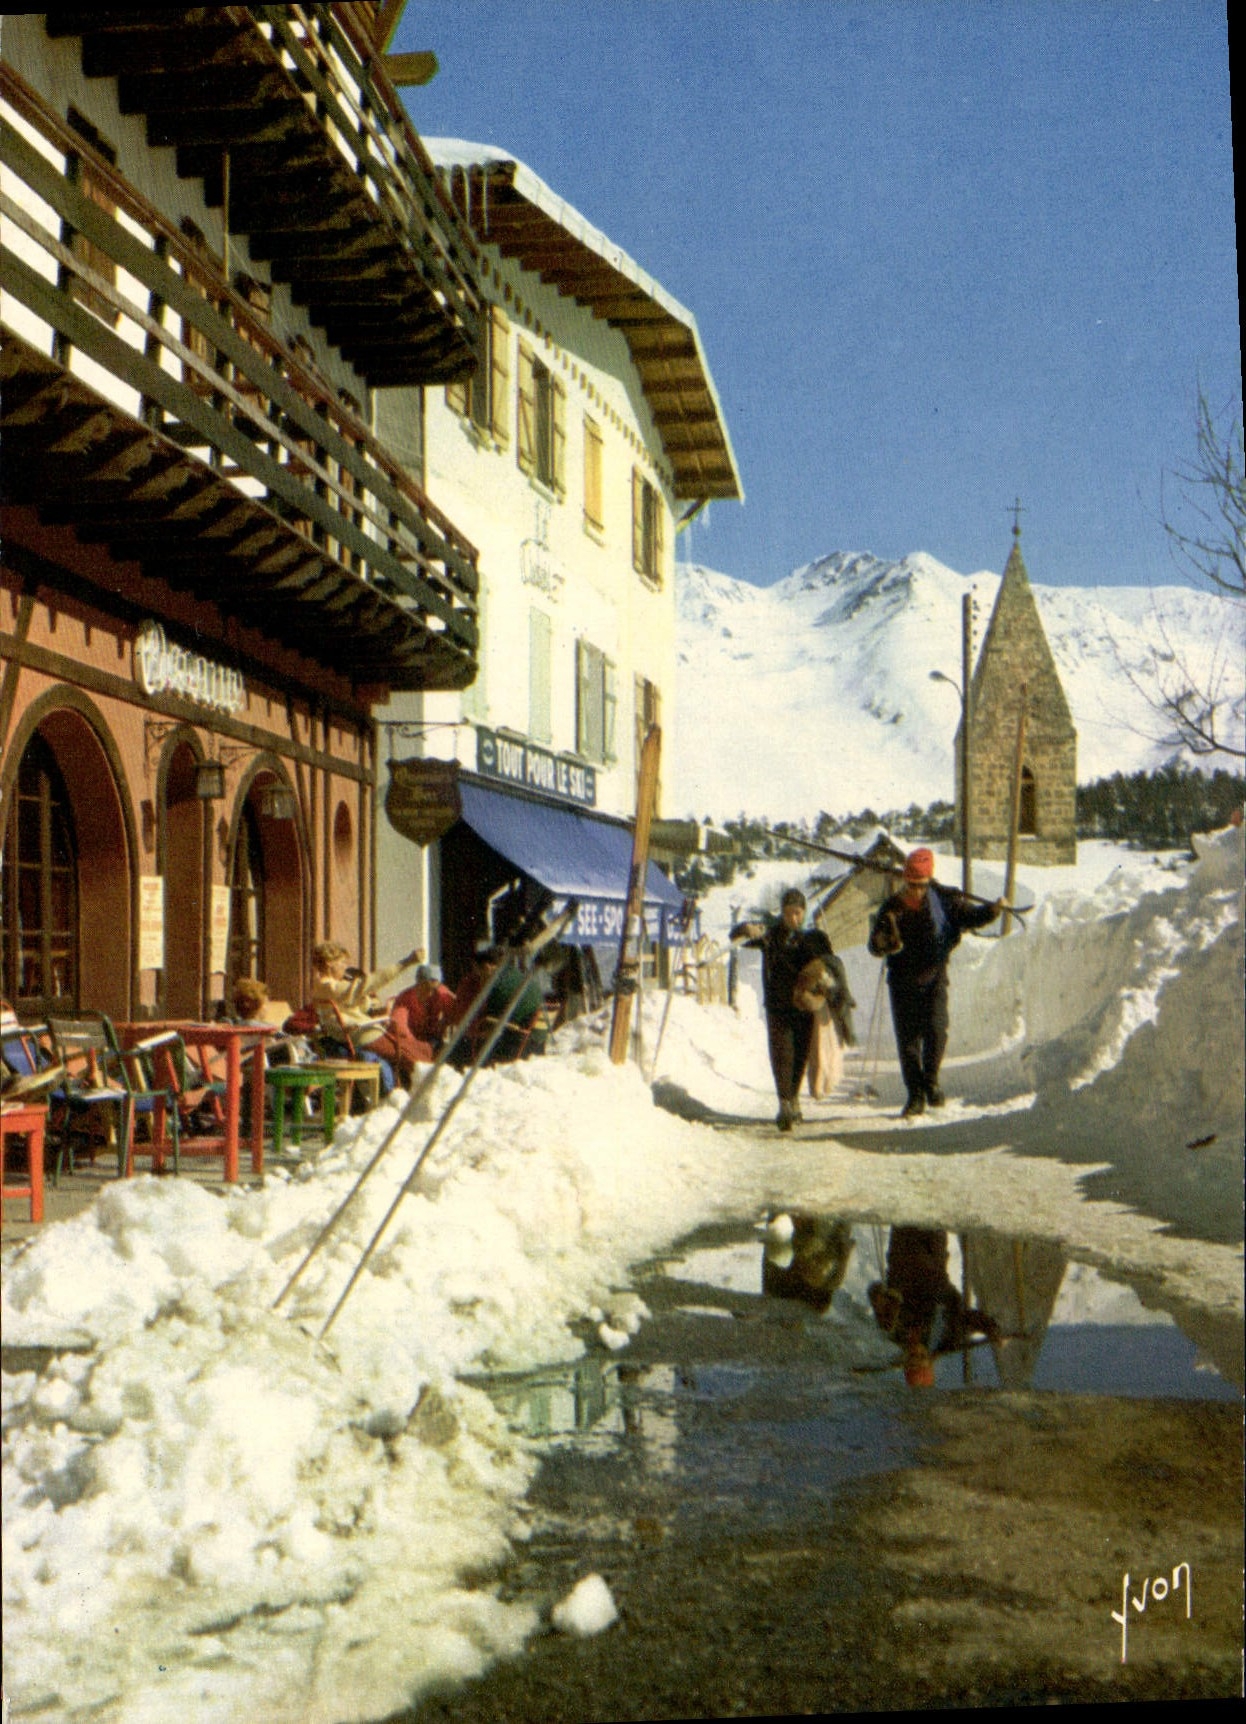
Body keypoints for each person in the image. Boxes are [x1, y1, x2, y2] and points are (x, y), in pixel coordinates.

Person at [867, 847, 1002, 1118]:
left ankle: (931, 1081)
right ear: (905, 880)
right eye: (911, 885)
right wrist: (884, 943)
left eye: (921, 885)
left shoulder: (944, 900)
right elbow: (874, 944)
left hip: (934, 976)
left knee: (937, 1031)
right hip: (903, 980)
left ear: (928, 881)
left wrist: (993, 910)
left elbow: (969, 916)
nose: (916, 891)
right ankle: (915, 1094)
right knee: (908, 1041)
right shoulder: (892, 907)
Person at [731, 887, 842, 1131]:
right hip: (778, 1007)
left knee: (800, 1055)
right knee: (782, 1055)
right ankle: (784, 1104)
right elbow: (735, 936)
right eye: (789, 913)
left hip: (803, 1007)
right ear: (782, 912)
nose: (794, 918)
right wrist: (744, 929)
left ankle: (793, 1099)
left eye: (798, 913)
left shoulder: (809, 939)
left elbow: (828, 964)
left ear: (803, 913)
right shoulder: (770, 936)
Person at [867, 1226, 1000, 1387]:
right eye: (921, 1358)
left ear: (905, 1360)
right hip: (933, 1253)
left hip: (902, 1248)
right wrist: (991, 1329)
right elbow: (968, 1320)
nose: (915, 1353)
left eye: (911, 1359)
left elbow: (874, 1289)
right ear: (929, 1361)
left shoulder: (893, 1329)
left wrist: (882, 1302)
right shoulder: (944, 1337)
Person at [309, 941, 423, 1090]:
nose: (345, 967)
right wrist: (406, 963)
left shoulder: (323, 987)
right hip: (364, 1035)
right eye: (342, 962)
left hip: (357, 1033)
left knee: (415, 1050)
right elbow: (371, 982)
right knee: (416, 1056)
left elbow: (355, 1006)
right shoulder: (330, 987)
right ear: (330, 963)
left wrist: (364, 999)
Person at [389, 963, 458, 1063]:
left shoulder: (442, 993)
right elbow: (400, 1027)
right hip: (410, 1041)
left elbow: (458, 1013)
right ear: (418, 984)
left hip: (433, 1041)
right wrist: (418, 1047)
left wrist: (446, 1024)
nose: (430, 993)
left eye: (434, 989)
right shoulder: (405, 999)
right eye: (427, 988)